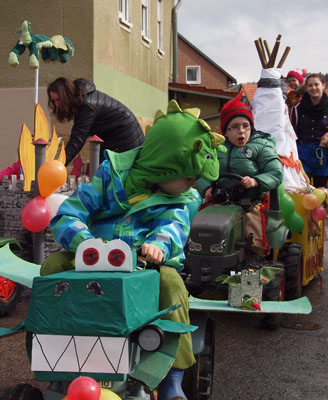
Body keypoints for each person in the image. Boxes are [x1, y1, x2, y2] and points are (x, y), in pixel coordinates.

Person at [40, 100, 225, 400]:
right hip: (93, 255)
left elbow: (173, 228)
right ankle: (55, 364)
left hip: (143, 262)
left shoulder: (180, 199)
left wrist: (158, 246)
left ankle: (171, 380)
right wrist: (83, 242)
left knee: (171, 284)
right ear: (165, 164)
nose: (193, 185)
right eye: (189, 177)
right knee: (51, 269)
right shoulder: (111, 173)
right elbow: (69, 212)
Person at [198, 91, 283, 255]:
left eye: (245, 126)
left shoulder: (261, 146)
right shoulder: (215, 149)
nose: (241, 131)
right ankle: (198, 253)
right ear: (225, 131)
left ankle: (255, 259)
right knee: (202, 222)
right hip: (220, 200)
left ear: (252, 127)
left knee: (251, 226)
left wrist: (256, 181)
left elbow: (275, 171)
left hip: (249, 201)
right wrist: (206, 188)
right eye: (235, 127)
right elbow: (201, 172)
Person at [47, 77, 145, 167]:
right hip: (119, 137)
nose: (57, 104)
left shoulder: (87, 105)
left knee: (107, 175)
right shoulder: (83, 98)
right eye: (54, 101)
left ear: (66, 96)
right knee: (101, 172)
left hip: (126, 140)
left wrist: (58, 166)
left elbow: (77, 141)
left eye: (59, 100)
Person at [290, 73, 328, 189]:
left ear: (323, 85)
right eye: (310, 85)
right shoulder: (297, 107)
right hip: (302, 152)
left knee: (321, 190)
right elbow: (291, 131)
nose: (313, 88)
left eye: (316, 84)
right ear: (306, 87)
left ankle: (322, 207)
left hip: (323, 153)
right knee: (303, 189)